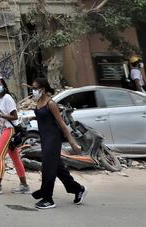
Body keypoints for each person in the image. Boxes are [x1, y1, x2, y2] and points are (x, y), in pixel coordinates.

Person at [30, 77, 88, 210]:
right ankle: (78, 189)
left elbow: (62, 124)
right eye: (32, 88)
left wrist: (73, 143)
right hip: (44, 138)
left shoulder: (51, 103)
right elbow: (42, 118)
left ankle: (48, 199)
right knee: (57, 168)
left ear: (43, 89)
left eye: (35, 88)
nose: (33, 91)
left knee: (48, 168)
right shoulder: (38, 102)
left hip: (53, 138)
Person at [0, 77, 28, 195]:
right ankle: (24, 185)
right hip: (4, 130)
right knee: (15, 158)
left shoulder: (7, 98)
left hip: (10, 129)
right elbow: (0, 116)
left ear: (3, 85)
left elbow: (14, 116)